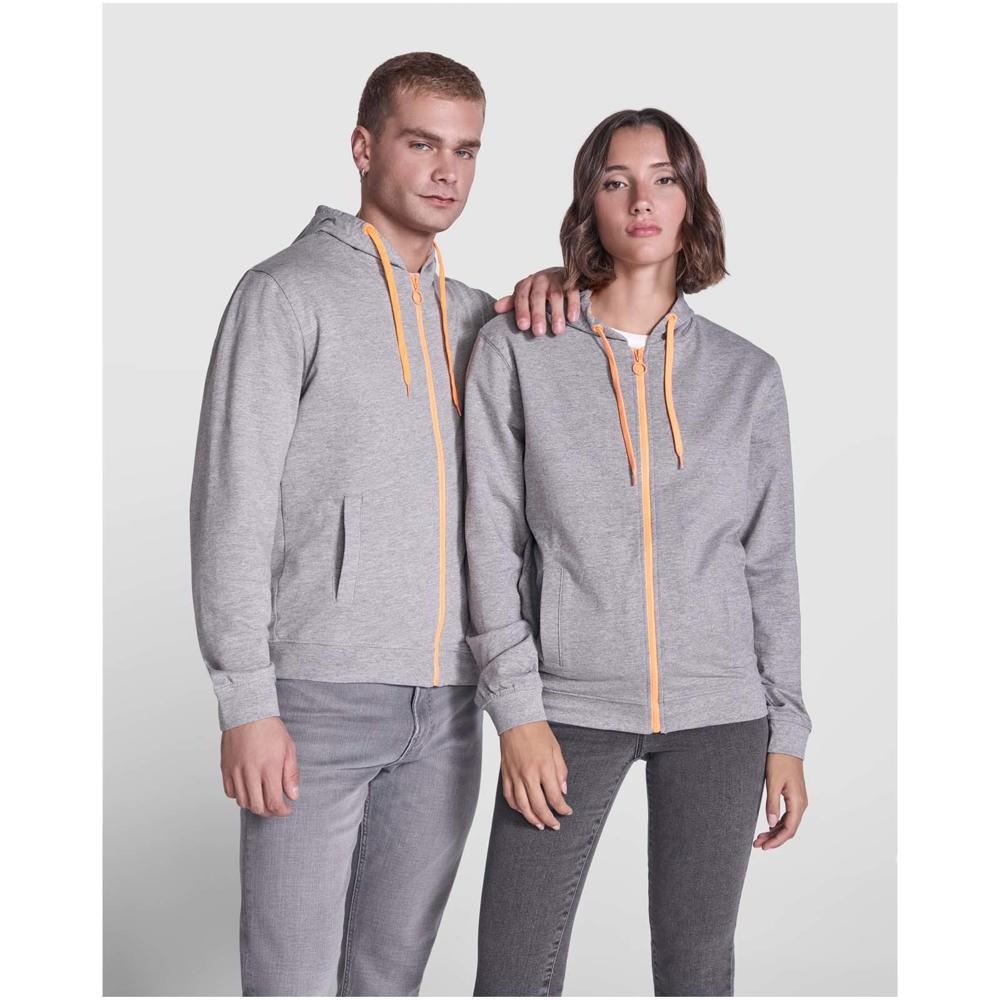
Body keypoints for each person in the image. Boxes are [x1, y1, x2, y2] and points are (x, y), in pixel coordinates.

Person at [189, 52, 572, 997]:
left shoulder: (480, 319)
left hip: (448, 708)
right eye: (422, 144)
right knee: (289, 982)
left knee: (388, 981)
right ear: (364, 148)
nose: (447, 171)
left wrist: (565, 282)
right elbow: (232, 506)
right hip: (315, 700)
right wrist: (247, 702)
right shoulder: (284, 294)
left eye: (467, 151)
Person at [463, 107, 813, 996]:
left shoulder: (747, 375)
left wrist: (787, 731)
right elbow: (490, 541)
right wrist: (517, 713)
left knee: (697, 972)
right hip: (566, 706)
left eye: (663, 179)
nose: (641, 200)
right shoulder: (520, 350)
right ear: (591, 201)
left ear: (692, 200)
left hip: (721, 713)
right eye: (616, 181)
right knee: (512, 973)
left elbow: (769, 563)